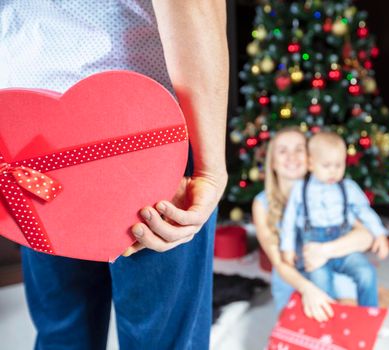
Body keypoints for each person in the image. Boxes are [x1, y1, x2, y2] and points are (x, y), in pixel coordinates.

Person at [0, 1, 228, 349]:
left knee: (62, 329)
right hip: (141, 137)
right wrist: (210, 169)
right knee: (163, 338)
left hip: (25, 140)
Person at [253, 128, 377, 322]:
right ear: (273, 162)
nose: (292, 156)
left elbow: (366, 237)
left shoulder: (331, 191)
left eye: (299, 149)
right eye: (283, 151)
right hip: (293, 278)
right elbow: (279, 262)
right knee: (305, 330)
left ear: (310, 158)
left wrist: (324, 251)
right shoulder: (261, 204)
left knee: (345, 323)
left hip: (331, 267)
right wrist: (308, 290)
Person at [279, 131, 389, 307]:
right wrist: (287, 248)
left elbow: (364, 211)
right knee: (321, 286)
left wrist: (380, 235)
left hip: (343, 246)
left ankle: (368, 316)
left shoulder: (348, 187)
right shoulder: (301, 189)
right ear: (311, 164)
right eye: (327, 165)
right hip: (314, 248)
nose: (333, 171)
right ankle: (329, 328)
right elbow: (289, 221)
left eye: (339, 165)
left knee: (367, 273)